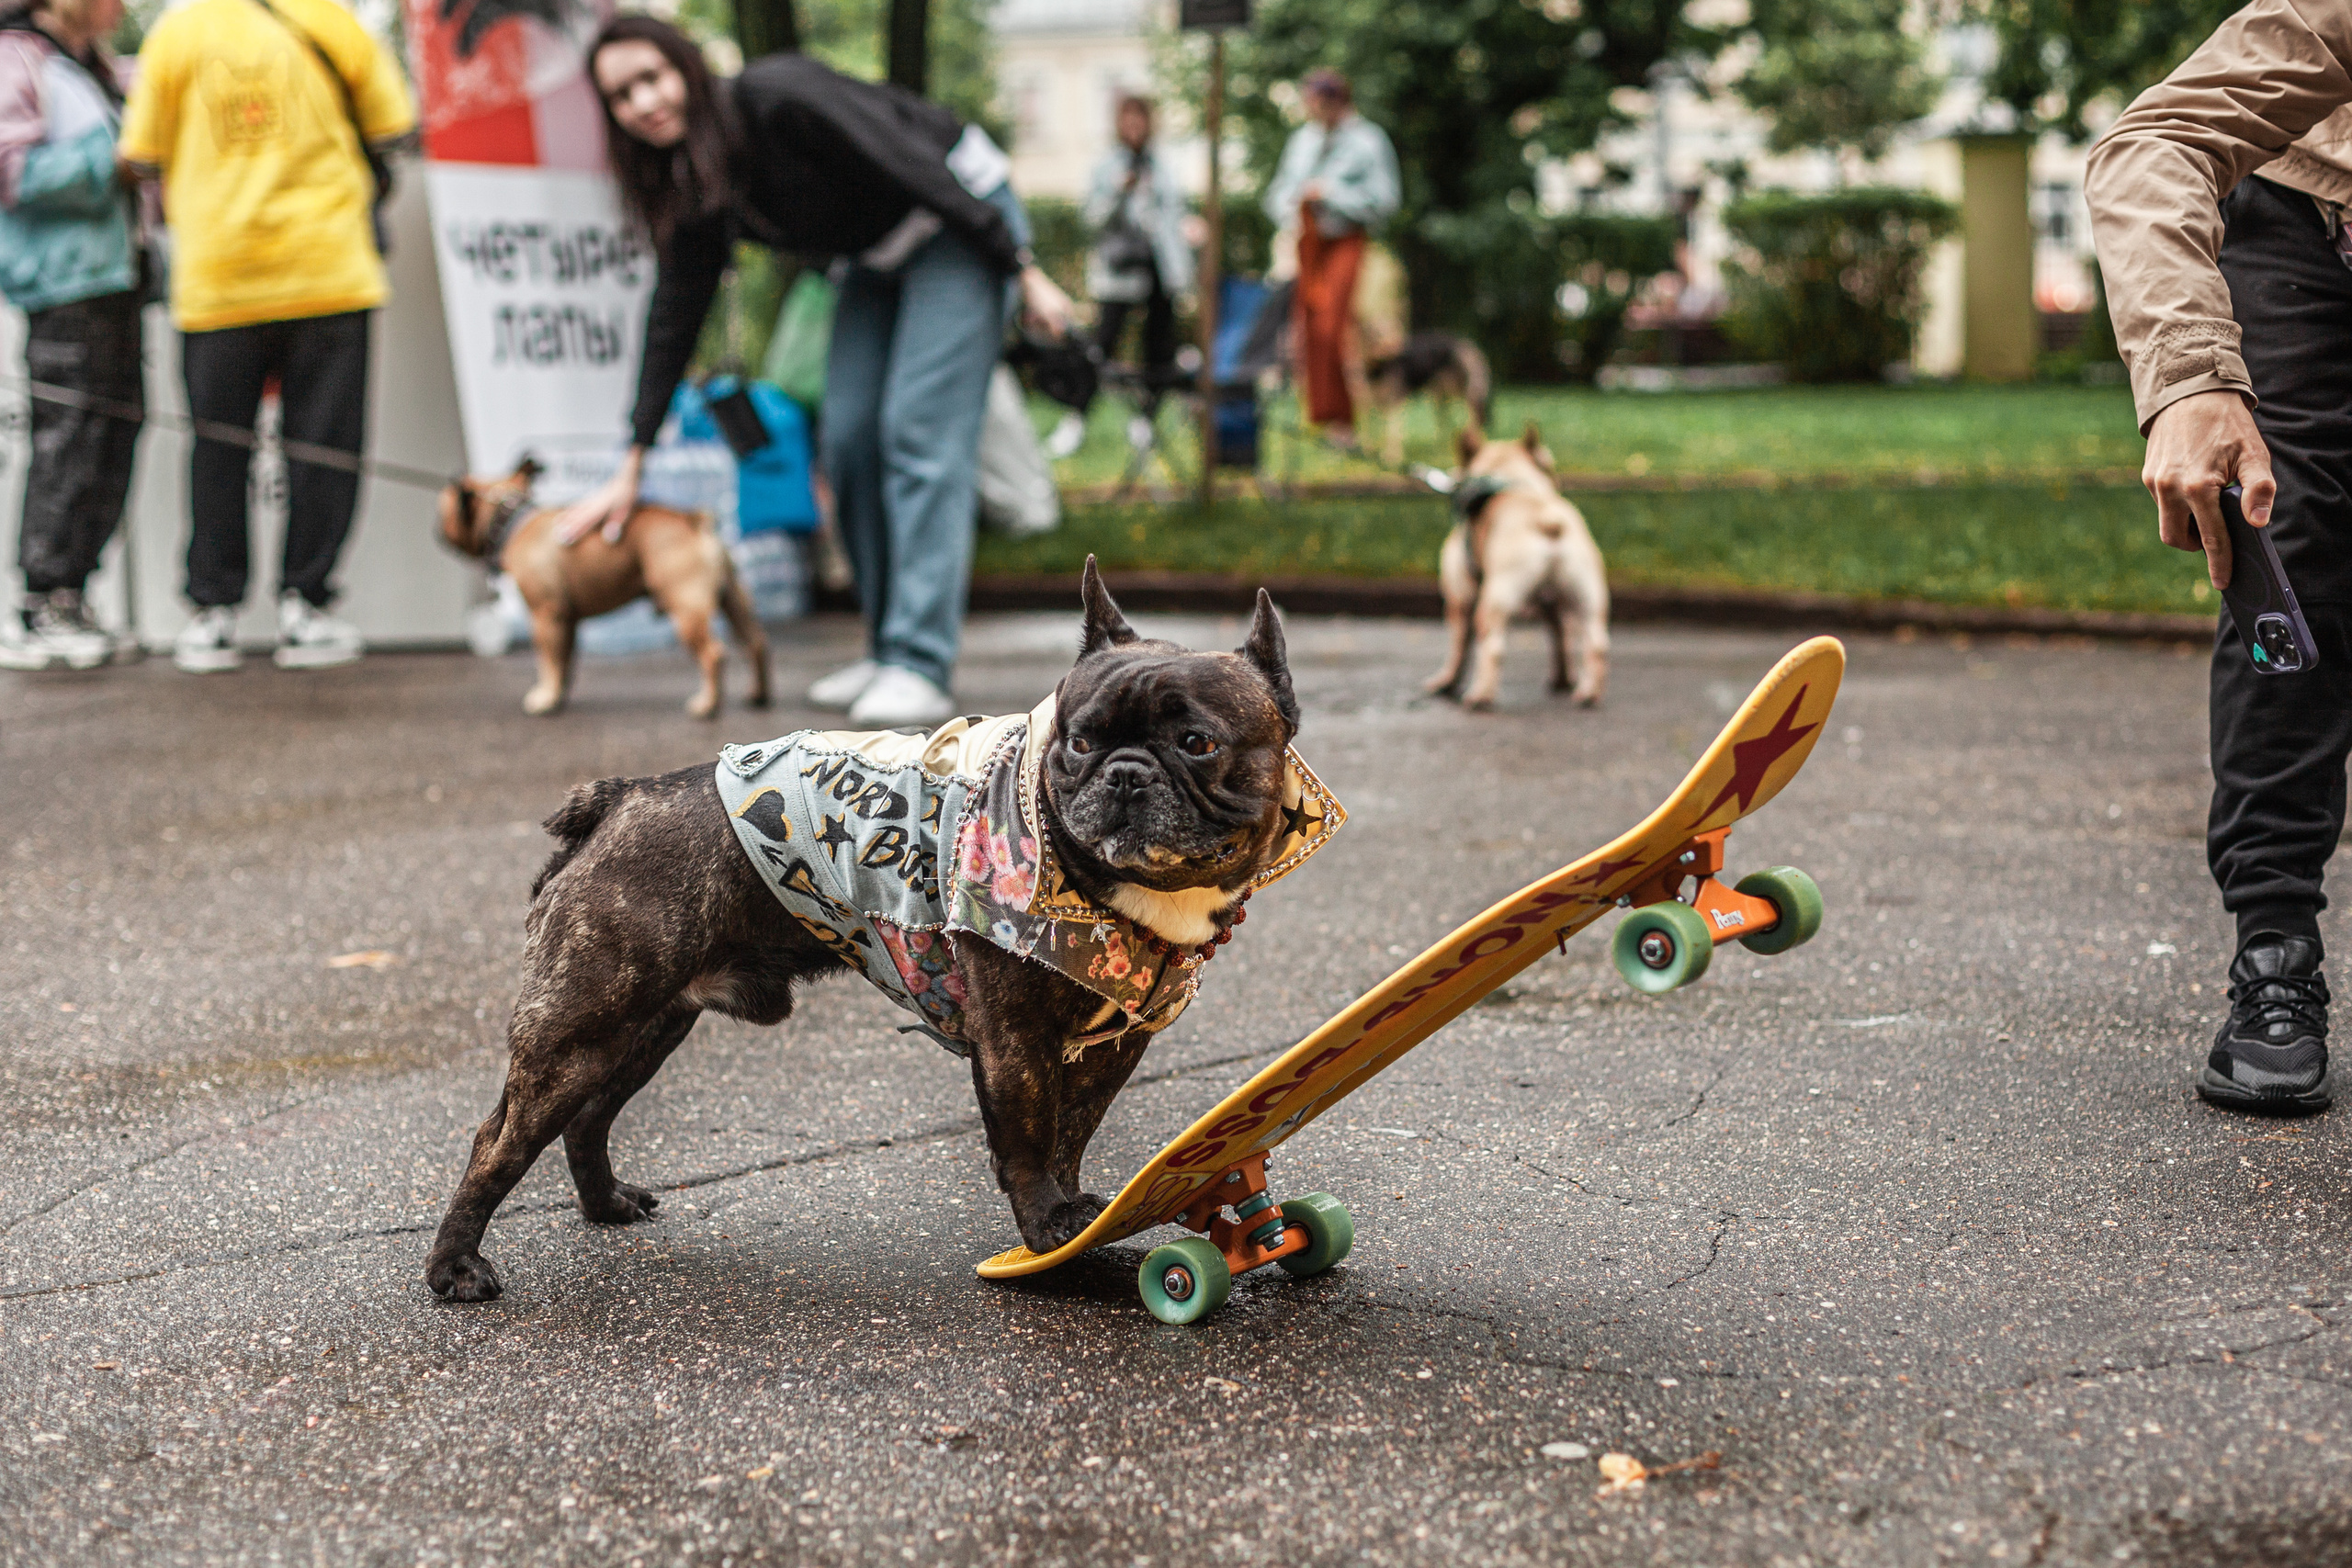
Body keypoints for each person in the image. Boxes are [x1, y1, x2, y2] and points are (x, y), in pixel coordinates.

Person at [571, 17, 1072, 729]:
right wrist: (634, 457)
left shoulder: (781, 98)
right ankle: (886, 647)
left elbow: (908, 159)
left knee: (917, 430)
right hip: (875, 256)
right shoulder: (700, 181)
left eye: (652, 78)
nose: (643, 102)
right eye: (621, 96)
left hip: (958, 216)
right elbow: (674, 315)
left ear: (686, 66)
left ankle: (919, 662)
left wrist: (1022, 268)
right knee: (848, 438)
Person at [2085, 0, 2352, 1113]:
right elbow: (2154, 145)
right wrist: (2190, 380)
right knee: (2288, 541)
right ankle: (2274, 951)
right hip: (2309, 220)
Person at [117, 0, 413, 674]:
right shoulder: (336, 22)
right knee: (325, 447)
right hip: (329, 268)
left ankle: (212, 611)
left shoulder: (176, 32)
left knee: (218, 447)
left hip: (220, 275)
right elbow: (391, 124)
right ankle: (307, 603)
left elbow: (141, 152)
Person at [0, 0, 141, 672]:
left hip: (119, 278)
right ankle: (39, 602)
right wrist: (111, 161)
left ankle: (72, 593)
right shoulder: (15, 57)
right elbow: (12, 171)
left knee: (112, 439)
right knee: (69, 439)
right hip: (63, 285)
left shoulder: (94, 67)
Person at [1264, 68, 1396, 449]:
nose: (1311, 111)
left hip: (1346, 242)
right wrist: (1292, 208)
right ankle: (1322, 417)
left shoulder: (1368, 140)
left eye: (1316, 103)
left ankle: (1345, 422)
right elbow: (1277, 193)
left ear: (1336, 101)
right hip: (1307, 243)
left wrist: (1332, 195)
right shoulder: (1303, 140)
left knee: (1334, 328)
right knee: (1308, 328)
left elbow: (1386, 200)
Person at [1085, 94, 1193, 385]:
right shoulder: (1106, 165)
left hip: (1158, 266)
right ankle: (1081, 403)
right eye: (1128, 119)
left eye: (1140, 119)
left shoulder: (1161, 165)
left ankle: (1149, 407)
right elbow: (1092, 219)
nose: (1134, 126)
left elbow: (1175, 212)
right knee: (1105, 340)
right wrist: (1119, 192)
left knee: (1160, 346)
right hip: (1120, 266)